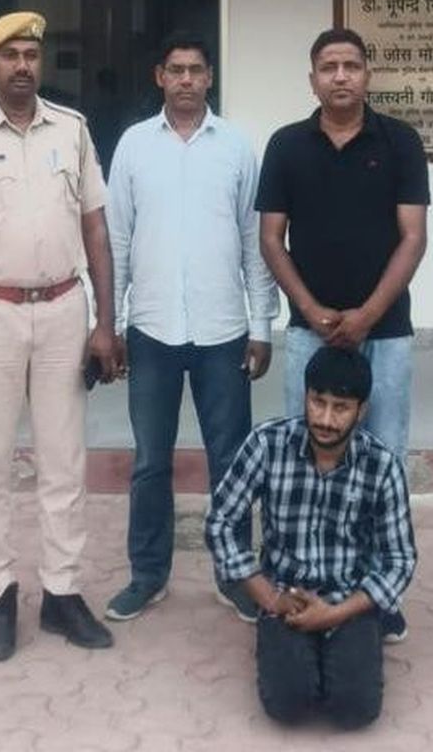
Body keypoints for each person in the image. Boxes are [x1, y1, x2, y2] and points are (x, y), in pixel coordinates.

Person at [0, 11, 119, 661]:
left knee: (64, 461)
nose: (22, 66)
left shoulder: (73, 130)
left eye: (31, 54)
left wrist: (105, 322)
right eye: (10, 55)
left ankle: (62, 593)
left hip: (64, 308)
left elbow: (96, 230)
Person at [256, 27, 429, 642]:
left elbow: (414, 238)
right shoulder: (286, 146)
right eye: (328, 66)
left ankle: (376, 595)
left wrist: (367, 316)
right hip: (311, 333)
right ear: (313, 80)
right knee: (303, 459)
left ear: (367, 75)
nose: (340, 76)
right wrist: (310, 308)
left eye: (351, 65)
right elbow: (271, 239)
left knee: (384, 460)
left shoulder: (400, 142)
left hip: (387, 333)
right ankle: (296, 584)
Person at [103, 33, 279, 623]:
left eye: (195, 70)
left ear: (209, 78)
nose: (185, 79)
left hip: (222, 330)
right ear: (160, 76)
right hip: (151, 330)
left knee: (230, 461)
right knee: (150, 460)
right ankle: (147, 575)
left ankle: (235, 575)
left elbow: (255, 242)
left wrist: (261, 325)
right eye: (175, 69)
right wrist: (111, 324)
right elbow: (117, 240)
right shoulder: (133, 146)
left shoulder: (236, 147)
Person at [205, 346, 416, 729]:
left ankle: (358, 636)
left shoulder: (382, 465)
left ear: (361, 411)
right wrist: (268, 597)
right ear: (305, 397)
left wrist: (335, 613)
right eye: (318, 402)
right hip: (284, 597)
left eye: (341, 408)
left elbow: (400, 560)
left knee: (355, 711)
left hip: (350, 599)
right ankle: (295, 646)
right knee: (288, 705)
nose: (326, 419)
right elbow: (220, 521)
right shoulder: (267, 444)